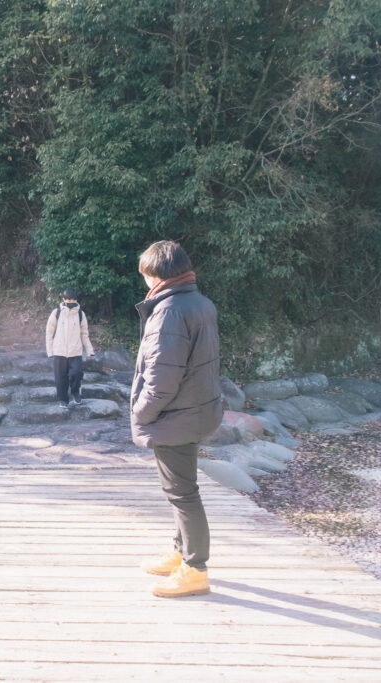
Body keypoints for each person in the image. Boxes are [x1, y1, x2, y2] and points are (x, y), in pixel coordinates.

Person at [131, 240, 223, 598]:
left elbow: (161, 375)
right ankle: (180, 552)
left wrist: (142, 411)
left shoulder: (169, 310)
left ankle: (195, 568)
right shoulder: (200, 303)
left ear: (155, 275)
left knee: (183, 494)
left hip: (176, 415)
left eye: (145, 274)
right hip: (196, 408)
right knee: (179, 489)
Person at [45, 287, 95, 406]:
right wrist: (50, 351)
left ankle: (75, 391)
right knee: (60, 378)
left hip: (75, 351)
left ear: (76, 300)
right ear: (64, 299)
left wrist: (89, 350)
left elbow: (84, 334)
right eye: (68, 300)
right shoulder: (56, 313)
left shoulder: (80, 314)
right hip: (59, 351)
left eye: (73, 300)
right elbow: (49, 332)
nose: (70, 302)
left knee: (76, 373)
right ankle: (63, 399)